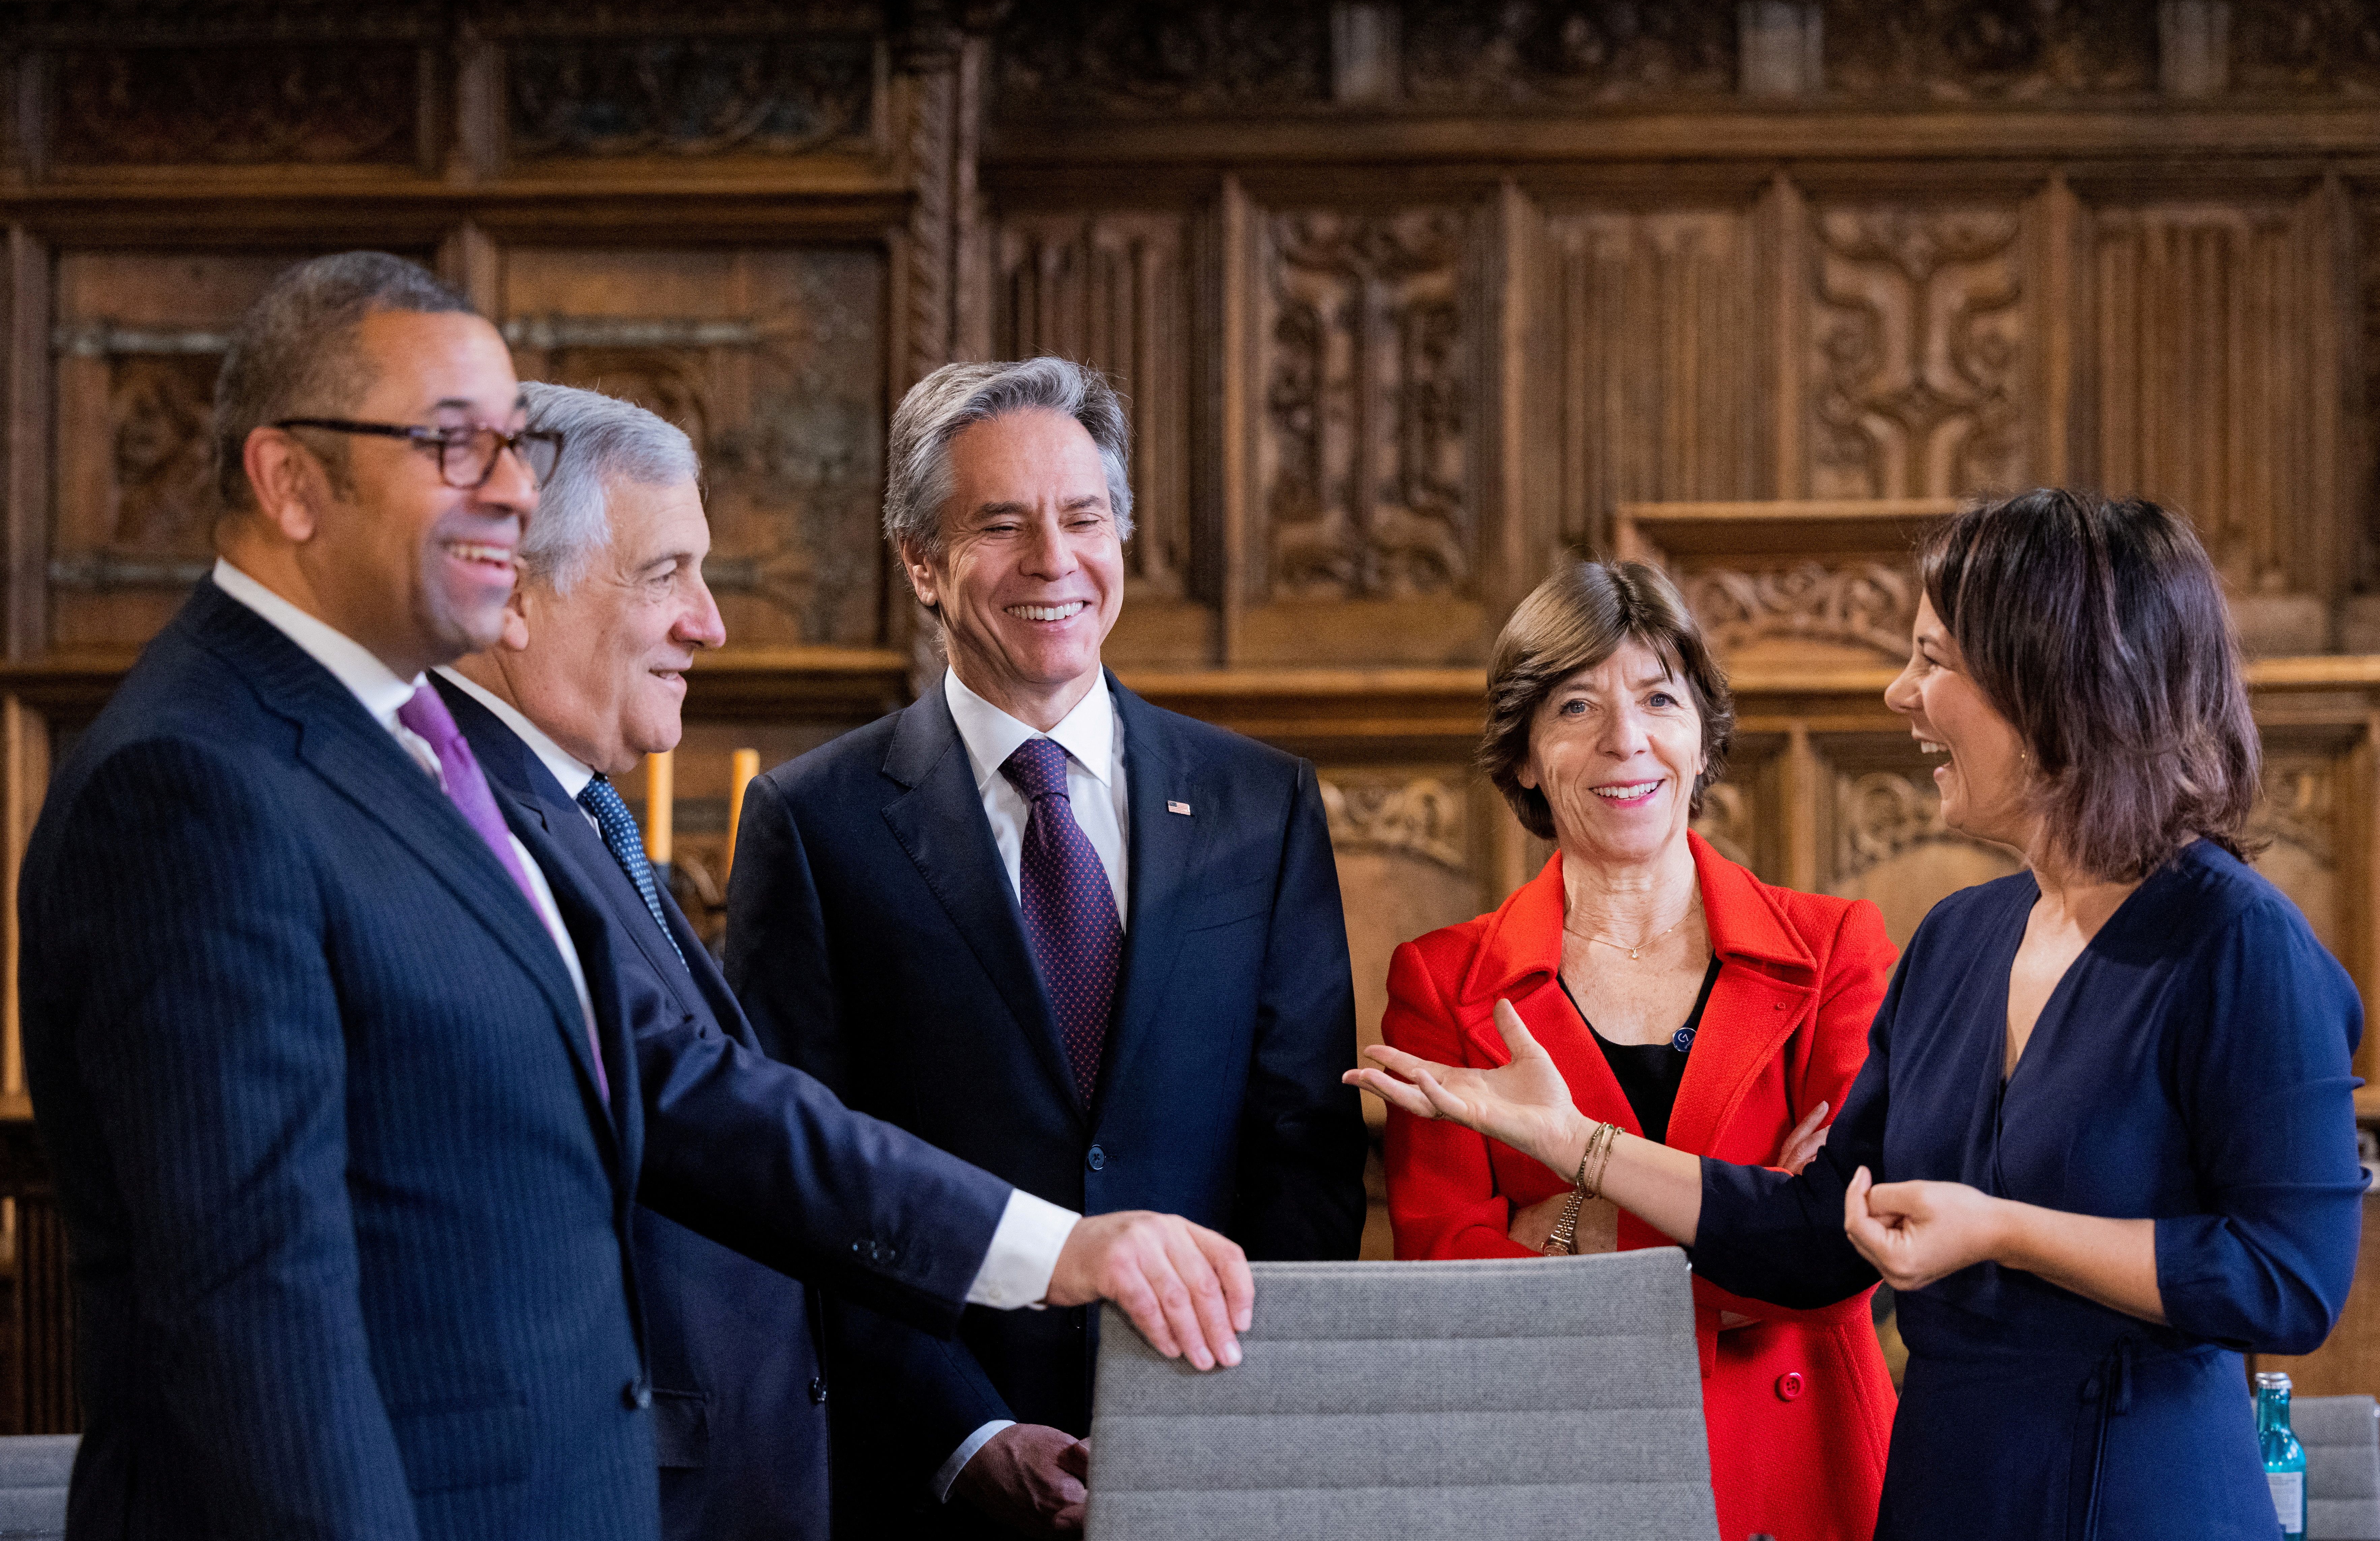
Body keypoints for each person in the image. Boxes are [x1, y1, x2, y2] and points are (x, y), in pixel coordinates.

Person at [17, 255, 1254, 1541]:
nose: (506, 488)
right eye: (457, 447)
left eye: (506, 446)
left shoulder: (390, 751)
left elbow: (673, 1089)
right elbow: (252, 1316)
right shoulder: (192, 779)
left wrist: (1052, 1248)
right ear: (289, 480)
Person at [1352, 490, 2367, 1540]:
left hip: (2141, 1497)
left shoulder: (2239, 941)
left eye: (1934, 661)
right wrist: (1577, 1144)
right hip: (1942, 1491)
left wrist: (2002, 1231)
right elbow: (1817, 1231)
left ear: (2055, 686)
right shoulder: (1958, 937)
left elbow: (2284, 1280)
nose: (1899, 693)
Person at [727, 356, 1369, 1538]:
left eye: (1083, 517)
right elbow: (795, 1171)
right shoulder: (811, 821)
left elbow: (1304, 1150)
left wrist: (1226, 1401)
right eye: (1000, 525)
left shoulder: (1258, 802)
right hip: (930, 1475)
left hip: (1215, 1450)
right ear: (922, 559)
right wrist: (961, 1435)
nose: (1052, 560)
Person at [1382, 559, 1895, 1541]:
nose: (1625, 740)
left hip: (1803, 1480)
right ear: (1525, 753)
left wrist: (1567, 1222)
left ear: (1700, 735)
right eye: (1576, 706)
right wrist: (1751, 1225)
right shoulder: (1441, 982)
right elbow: (1452, 1285)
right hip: (1559, 1475)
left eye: (1658, 696)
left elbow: (1841, 1256)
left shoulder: (1835, 949)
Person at [431, 381, 830, 1539]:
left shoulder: (579, 810)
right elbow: (692, 1103)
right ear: (514, 592)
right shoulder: (475, 829)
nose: (709, 622)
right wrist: (1037, 1245)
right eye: (665, 574)